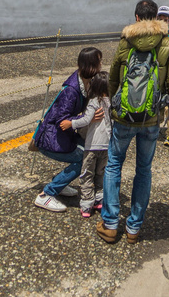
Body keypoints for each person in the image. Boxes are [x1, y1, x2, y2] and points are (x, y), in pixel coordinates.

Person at [98, 0, 169, 244]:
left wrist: (114, 104)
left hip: (123, 117)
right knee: (143, 169)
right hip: (152, 117)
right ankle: (133, 228)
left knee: (114, 165)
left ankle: (111, 224)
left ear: (136, 17)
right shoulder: (166, 42)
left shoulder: (126, 41)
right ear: (156, 17)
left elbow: (113, 76)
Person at [33, 46, 103, 213]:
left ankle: (60, 182)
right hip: (50, 138)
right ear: (91, 66)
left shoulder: (86, 82)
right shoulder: (72, 90)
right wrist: (88, 119)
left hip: (65, 135)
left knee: (89, 153)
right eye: (99, 62)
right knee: (84, 159)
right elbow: (61, 121)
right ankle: (46, 194)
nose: (101, 65)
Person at [62, 70, 111, 218]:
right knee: (101, 174)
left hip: (92, 146)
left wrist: (71, 123)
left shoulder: (94, 102)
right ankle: (100, 200)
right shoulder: (112, 102)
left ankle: (86, 204)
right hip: (107, 146)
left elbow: (85, 120)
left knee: (87, 175)